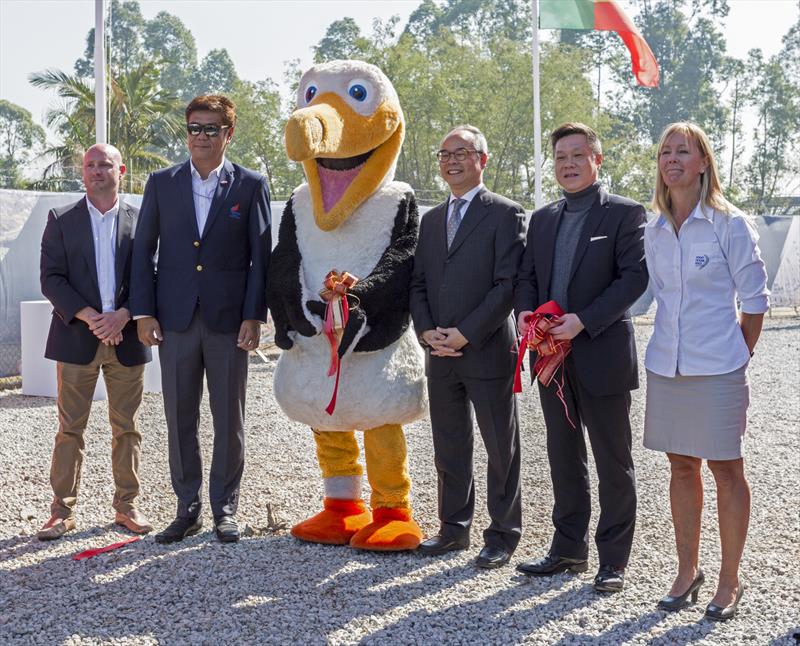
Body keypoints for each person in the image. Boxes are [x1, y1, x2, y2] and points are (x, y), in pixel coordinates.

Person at [514, 123, 648, 592]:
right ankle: (568, 549)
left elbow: (632, 280)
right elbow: (527, 276)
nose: (567, 164)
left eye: (576, 155)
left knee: (614, 460)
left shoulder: (626, 215)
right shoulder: (544, 218)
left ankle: (613, 560)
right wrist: (526, 312)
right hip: (551, 357)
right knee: (562, 456)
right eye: (560, 157)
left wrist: (583, 321)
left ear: (597, 158)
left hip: (601, 354)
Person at [130, 95, 271, 544]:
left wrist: (254, 315)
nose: (202, 137)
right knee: (179, 416)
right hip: (174, 320)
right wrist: (144, 311)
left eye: (212, 129)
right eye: (195, 128)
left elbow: (259, 260)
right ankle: (186, 507)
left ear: (229, 133)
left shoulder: (250, 185)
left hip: (229, 322)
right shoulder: (162, 183)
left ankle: (224, 508)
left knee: (229, 417)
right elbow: (142, 251)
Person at [643, 122, 768, 620]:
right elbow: (648, 296)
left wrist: (737, 355)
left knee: (726, 470)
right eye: (665, 150)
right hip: (666, 367)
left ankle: (730, 578)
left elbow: (755, 300)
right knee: (680, 467)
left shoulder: (729, 224)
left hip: (718, 369)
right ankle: (686, 569)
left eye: (683, 151)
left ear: (703, 163)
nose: (672, 158)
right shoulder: (652, 228)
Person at [409, 124, 526, 569]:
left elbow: (506, 285)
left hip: (487, 350)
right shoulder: (432, 219)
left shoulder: (505, 213)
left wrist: (466, 333)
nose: (451, 161)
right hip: (439, 352)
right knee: (449, 444)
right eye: (444, 154)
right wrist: (428, 332)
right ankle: (453, 527)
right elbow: (418, 283)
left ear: (482, 159)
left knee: (501, 446)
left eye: (461, 152)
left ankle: (502, 533)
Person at [37, 143, 153, 540]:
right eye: (90, 165)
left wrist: (122, 315)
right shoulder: (60, 219)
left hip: (127, 337)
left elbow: (152, 277)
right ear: (82, 172)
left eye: (105, 164)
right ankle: (61, 512)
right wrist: (91, 317)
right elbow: (51, 278)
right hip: (76, 339)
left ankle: (127, 506)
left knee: (128, 427)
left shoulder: (141, 221)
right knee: (70, 428)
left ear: (121, 170)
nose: (97, 170)